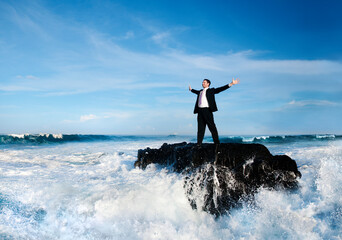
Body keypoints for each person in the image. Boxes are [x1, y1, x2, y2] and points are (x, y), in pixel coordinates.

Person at [189, 78, 240, 145]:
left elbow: (220, 89)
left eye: (204, 82)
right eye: (202, 82)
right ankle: (199, 144)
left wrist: (231, 84)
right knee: (200, 129)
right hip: (200, 111)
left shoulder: (211, 90)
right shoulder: (200, 91)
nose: (202, 83)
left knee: (212, 127)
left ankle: (217, 143)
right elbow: (195, 91)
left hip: (207, 111)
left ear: (208, 84)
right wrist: (191, 89)